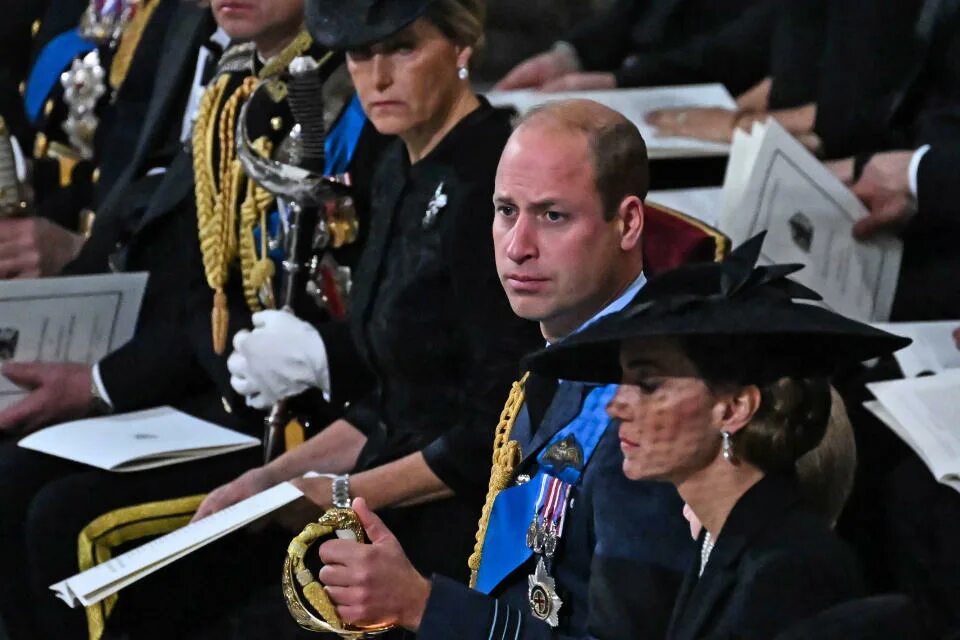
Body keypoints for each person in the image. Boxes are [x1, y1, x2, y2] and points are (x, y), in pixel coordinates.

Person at [0, 1, 382, 637]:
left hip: (318, 420)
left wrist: (323, 357)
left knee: (69, 519)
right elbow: (198, 285)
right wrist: (102, 384)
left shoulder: (352, 95)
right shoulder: (235, 96)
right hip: (219, 392)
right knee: (13, 479)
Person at [283, 98, 713, 640]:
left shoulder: (650, 411)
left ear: (628, 224)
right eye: (506, 210)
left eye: (552, 216)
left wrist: (422, 604)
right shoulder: (561, 352)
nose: (518, 247)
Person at [194, 0, 544, 586]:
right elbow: (391, 400)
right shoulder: (394, 166)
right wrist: (267, 480)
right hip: (384, 488)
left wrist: (339, 495)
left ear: (461, 48)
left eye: (403, 49)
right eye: (360, 54)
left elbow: (499, 424)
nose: (377, 79)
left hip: (465, 519)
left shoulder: (491, 185)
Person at [521, 233, 910, 639]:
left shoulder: (788, 570)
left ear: (735, 407)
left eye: (649, 383)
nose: (615, 406)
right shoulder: (721, 541)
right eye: (622, 381)